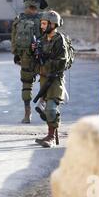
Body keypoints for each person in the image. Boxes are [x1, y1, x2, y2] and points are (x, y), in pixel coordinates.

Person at [11, 0, 48, 123]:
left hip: (25, 56)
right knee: (46, 82)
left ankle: (27, 114)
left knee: (26, 84)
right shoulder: (44, 18)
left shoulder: (19, 18)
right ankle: (43, 104)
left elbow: (14, 38)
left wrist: (16, 54)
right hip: (41, 56)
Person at [33, 11, 67, 148]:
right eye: (41, 23)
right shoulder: (41, 40)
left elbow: (62, 62)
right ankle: (50, 133)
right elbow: (35, 64)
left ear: (53, 24)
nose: (41, 26)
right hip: (43, 79)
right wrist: (34, 52)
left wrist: (45, 62)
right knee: (46, 109)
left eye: (44, 23)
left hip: (55, 79)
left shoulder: (59, 40)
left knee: (52, 108)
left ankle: (51, 137)